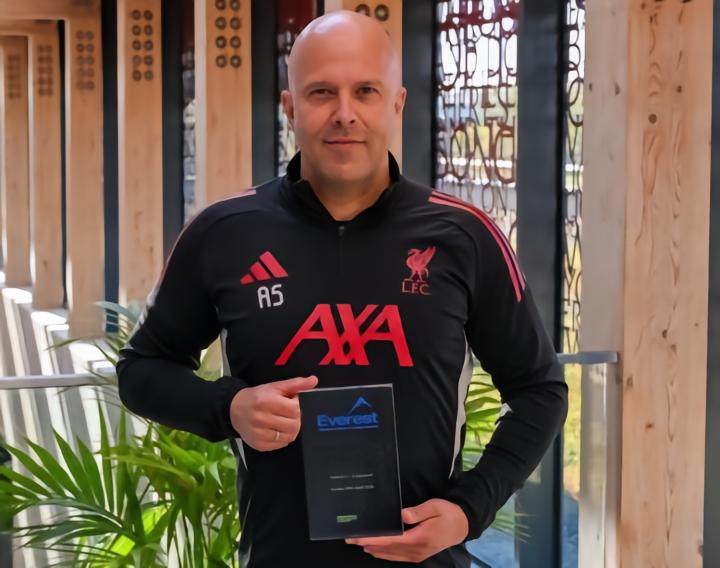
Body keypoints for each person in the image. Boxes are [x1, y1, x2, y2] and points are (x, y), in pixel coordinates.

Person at [117, 10, 568, 567]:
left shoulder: (464, 236)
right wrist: (229, 406)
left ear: (397, 104)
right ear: (289, 108)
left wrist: (468, 508)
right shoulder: (223, 233)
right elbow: (141, 370)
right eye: (322, 92)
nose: (345, 113)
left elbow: (539, 390)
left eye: (366, 91)